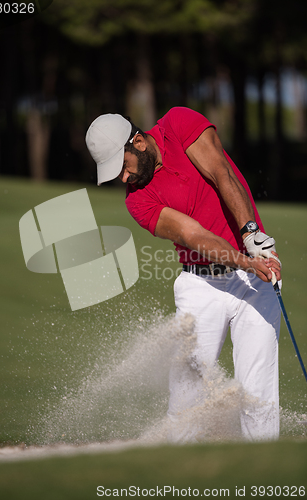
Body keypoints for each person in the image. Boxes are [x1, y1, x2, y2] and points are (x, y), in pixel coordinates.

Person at [85, 107, 282, 441]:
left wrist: (251, 235)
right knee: (185, 400)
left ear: (138, 142)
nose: (122, 178)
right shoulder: (138, 202)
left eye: (122, 166)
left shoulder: (179, 123)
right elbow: (193, 235)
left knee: (258, 391)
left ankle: (261, 474)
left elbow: (222, 174)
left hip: (255, 279)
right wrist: (245, 261)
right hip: (201, 286)